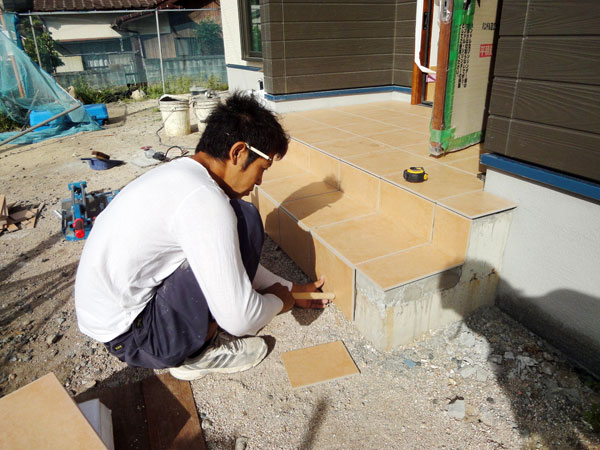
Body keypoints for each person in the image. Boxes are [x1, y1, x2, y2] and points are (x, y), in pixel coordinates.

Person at [74, 92, 329, 381]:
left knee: (241, 217)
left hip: (118, 320)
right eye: (262, 169)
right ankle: (196, 353)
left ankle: (191, 336)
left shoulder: (183, 175)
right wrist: (280, 301)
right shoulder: (204, 201)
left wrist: (291, 288)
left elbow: (226, 259)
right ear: (238, 153)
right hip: (138, 336)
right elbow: (241, 320)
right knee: (244, 220)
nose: (259, 181)